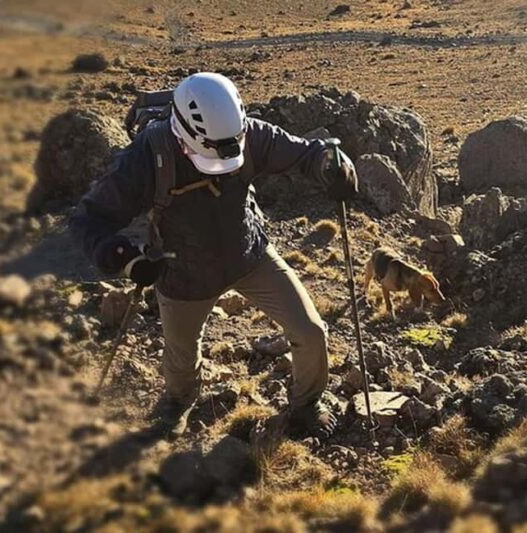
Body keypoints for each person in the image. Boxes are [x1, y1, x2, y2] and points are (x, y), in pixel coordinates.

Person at [70, 72, 358, 438]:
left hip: (248, 254)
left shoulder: (249, 134)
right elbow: (89, 219)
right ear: (182, 132)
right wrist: (125, 258)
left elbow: (305, 152)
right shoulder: (148, 155)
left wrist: (332, 165)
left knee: (311, 332)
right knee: (181, 364)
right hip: (183, 272)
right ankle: (178, 402)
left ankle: (306, 405)